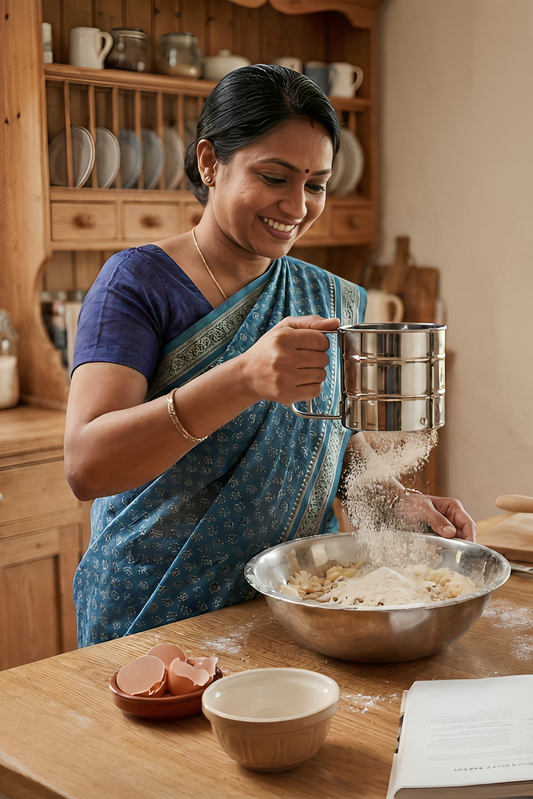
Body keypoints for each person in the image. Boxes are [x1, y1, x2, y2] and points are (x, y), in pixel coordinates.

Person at [65, 65, 475, 647]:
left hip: (292, 608)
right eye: (274, 177)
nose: (297, 205)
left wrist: (396, 503)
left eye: (316, 184)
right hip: (153, 611)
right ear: (210, 163)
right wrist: (244, 378)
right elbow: (87, 466)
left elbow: (322, 447)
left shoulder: (327, 298)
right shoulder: (136, 284)